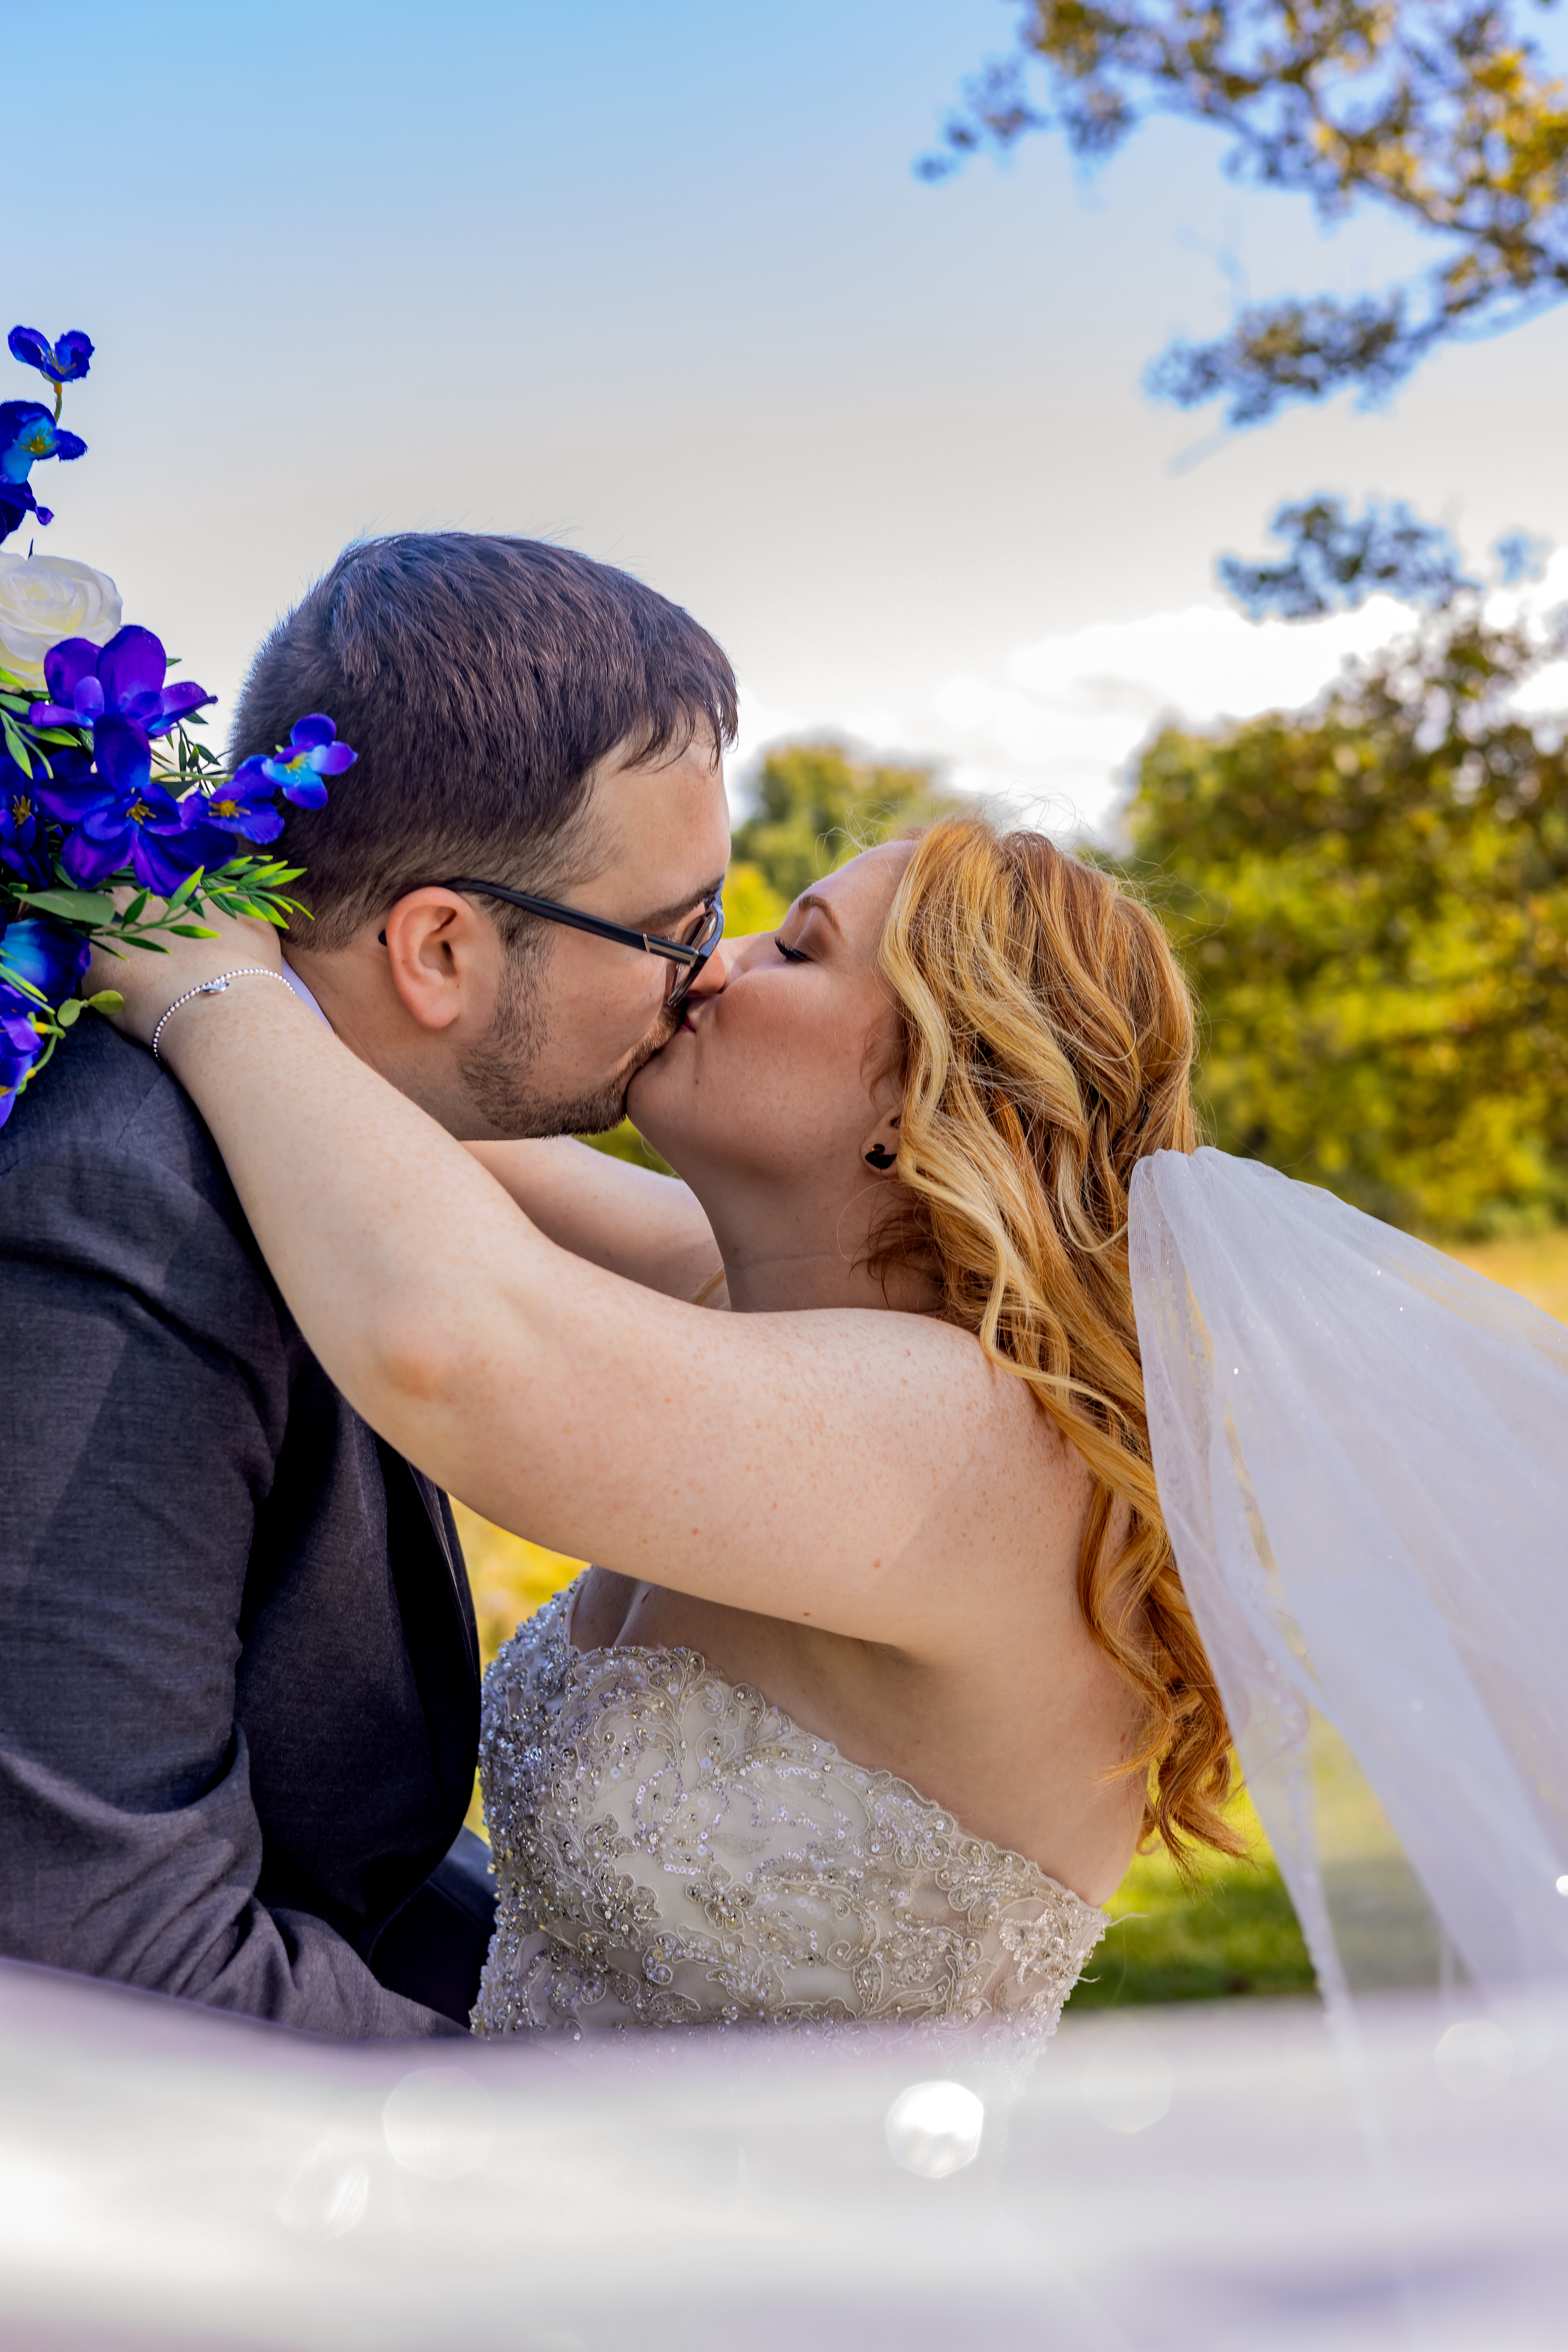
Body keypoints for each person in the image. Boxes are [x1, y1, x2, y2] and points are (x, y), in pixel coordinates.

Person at [87, 812, 1568, 2038]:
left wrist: (203, 974)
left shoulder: (964, 1432)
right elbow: (392, 1152)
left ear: (930, 1084)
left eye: (792, 946)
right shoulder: (756, 1295)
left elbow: (452, 1341)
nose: (707, 968)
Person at [0, 531, 735, 2035]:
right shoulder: (129, 1202)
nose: (707, 979)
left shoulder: (339, 1165)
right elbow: (103, 1956)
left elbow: (347, 1868)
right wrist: (631, 2163)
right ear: (441, 950)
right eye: (671, 932)